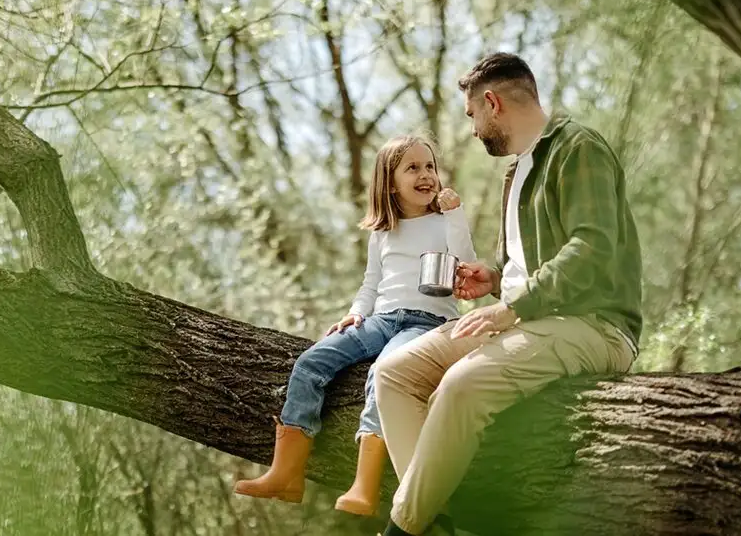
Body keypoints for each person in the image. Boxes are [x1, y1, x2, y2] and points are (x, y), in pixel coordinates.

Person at [374, 53, 643, 536]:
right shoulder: (517, 171)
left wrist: (512, 307)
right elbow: (523, 264)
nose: (473, 129)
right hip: (528, 319)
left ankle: (404, 530)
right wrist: (493, 278)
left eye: (472, 115)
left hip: (593, 325)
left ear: (492, 102)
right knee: (393, 374)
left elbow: (592, 249)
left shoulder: (577, 148)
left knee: (460, 386)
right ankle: (438, 522)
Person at [232, 134, 477, 517]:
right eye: (412, 168)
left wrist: (456, 214)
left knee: (384, 374)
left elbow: (467, 261)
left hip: (429, 323)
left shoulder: (444, 223)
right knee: (311, 361)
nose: (426, 174)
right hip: (381, 319)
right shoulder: (382, 233)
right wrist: (356, 312)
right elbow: (371, 283)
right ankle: (286, 474)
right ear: (390, 183)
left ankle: (364, 485)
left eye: (430, 166)